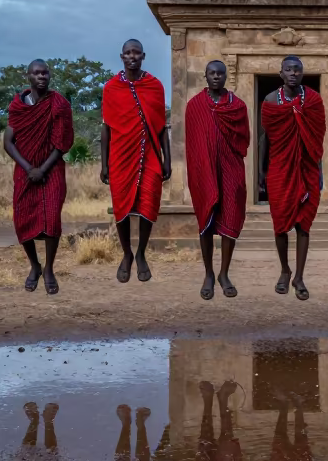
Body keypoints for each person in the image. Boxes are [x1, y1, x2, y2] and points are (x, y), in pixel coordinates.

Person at [100, 40, 171, 282]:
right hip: (119, 156)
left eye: (136, 53)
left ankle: (141, 253)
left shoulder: (155, 87)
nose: (132, 56)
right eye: (128, 53)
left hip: (150, 154)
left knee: (149, 203)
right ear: (121, 56)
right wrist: (104, 165)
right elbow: (106, 129)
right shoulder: (111, 88)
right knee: (121, 206)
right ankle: (127, 254)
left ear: (143, 56)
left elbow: (161, 127)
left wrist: (167, 160)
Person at [3, 60, 75, 296]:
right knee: (22, 219)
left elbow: (62, 143)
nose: (41, 76)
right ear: (28, 77)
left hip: (51, 168)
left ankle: (50, 269)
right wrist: (28, 168)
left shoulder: (59, 104)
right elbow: (8, 142)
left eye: (45, 72)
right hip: (25, 170)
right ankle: (34, 266)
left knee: (52, 218)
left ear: (50, 75)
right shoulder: (18, 106)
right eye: (36, 73)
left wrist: (42, 169)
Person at [259, 56, 326, 301]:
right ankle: (284, 270)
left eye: (297, 70)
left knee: (303, 225)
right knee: (280, 225)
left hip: (308, 170)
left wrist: (319, 172)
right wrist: (261, 173)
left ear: (302, 74)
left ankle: (299, 277)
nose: (293, 74)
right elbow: (265, 140)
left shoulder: (314, 101)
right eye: (288, 70)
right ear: (281, 73)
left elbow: (317, 141)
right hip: (279, 169)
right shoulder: (269, 101)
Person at [185, 60, 250, 301]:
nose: (216, 77)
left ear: (226, 77)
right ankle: (209, 274)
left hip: (231, 169)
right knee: (205, 220)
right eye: (212, 73)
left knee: (230, 216)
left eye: (220, 74)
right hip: (203, 172)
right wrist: (198, 172)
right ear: (205, 76)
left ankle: (224, 273)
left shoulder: (238, 106)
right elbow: (191, 146)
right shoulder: (194, 106)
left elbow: (244, 140)